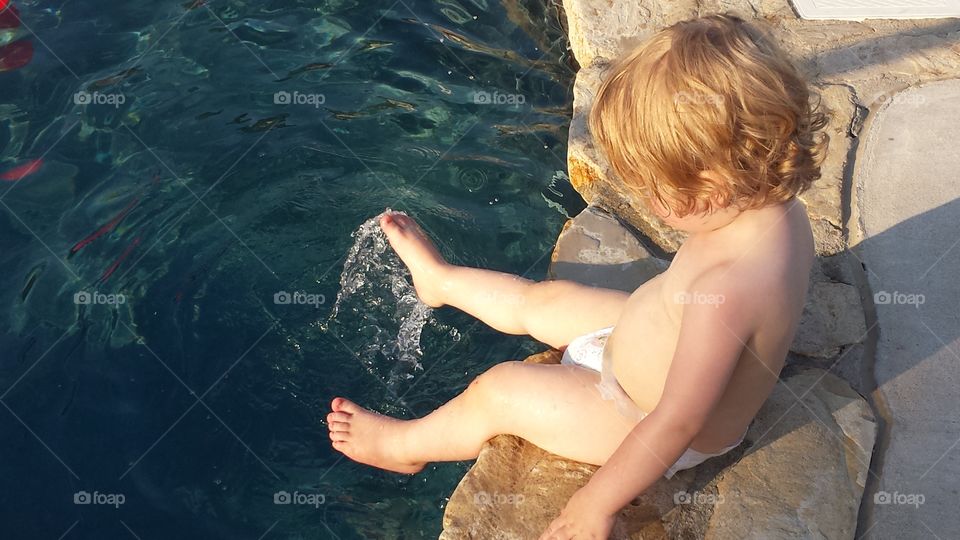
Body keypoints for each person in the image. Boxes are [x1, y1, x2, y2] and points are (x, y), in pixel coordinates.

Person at [327, 13, 827, 539]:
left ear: (715, 182)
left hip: (637, 413)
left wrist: (595, 504)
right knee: (543, 302)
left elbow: (678, 421)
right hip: (646, 336)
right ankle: (441, 281)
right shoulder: (777, 210)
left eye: (658, 192)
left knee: (501, 391)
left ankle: (404, 447)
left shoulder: (730, 289)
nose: (650, 204)